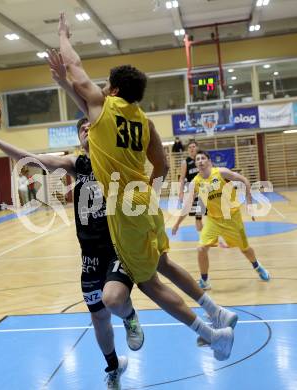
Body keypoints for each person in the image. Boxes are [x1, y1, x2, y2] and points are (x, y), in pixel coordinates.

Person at [55, 12, 236, 378]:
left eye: (107, 85)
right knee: (165, 264)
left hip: (125, 209)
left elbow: (74, 66)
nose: (101, 88)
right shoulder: (143, 121)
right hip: (146, 202)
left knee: (149, 282)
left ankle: (213, 334)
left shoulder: (102, 108)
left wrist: (63, 36)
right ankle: (216, 311)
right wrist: (142, 192)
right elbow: (163, 166)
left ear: (115, 90)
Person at [0, 116, 144, 390]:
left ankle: (130, 317)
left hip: (117, 247)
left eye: (91, 127)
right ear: (79, 139)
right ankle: (112, 367)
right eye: (82, 129)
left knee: (113, 299)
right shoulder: (77, 164)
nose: (86, 130)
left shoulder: (114, 159)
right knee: (98, 316)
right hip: (89, 255)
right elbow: (32, 160)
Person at [172, 150, 270, 290]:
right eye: (197, 159)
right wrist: (176, 224)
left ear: (209, 161)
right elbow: (187, 206)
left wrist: (249, 204)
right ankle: (205, 280)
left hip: (232, 218)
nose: (200, 161)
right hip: (213, 220)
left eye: (203, 158)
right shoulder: (196, 183)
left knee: (245, 249)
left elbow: (245, 180)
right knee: (201, 248)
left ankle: (258, 266)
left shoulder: (221, 172)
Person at [178, 140, 203, 232]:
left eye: (193, 146)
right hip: (195, 193)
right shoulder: (185, 162)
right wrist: (181, 192)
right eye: (190, 147)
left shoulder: (202, 159)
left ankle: (213, 237)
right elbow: (182, 178)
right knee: (198, 217)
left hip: (206, 191)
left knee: (213, 216)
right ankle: (203, 239)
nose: (192, 148)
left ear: (197, 148)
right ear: (187, 150)